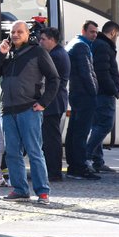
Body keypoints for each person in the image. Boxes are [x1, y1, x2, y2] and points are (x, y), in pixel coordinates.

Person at [0, 21, 60, 205]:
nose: (15, 34)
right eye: (13, 32)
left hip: (29, 109)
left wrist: (43, 103)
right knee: (12, 153)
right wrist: (0, 54)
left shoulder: (38, 52)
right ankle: (20, 189)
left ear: (28, 34)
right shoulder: (7, 53)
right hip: (8, 111)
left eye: (20, 31)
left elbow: (54, 79)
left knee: (35, 152)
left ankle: (43, 192)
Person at [65, 20, 100, 180]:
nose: (94, 35)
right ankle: (79, 167)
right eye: (92, 32)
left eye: (95, 32)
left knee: (74, 131)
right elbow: (87, 73)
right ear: (84, 30)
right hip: (84, 95)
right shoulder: (82, 46)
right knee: (81, 133)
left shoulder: (75, 43)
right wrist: (94, 93)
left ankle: (74, 166)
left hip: (76, 93)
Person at [87, 20, 119, 173]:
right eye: (117, 35)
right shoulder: (103, 46)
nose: (116, 38)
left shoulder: (99, 44)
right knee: (105, 125)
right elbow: (103, 72)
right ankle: (85, 155)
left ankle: (98, 161)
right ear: (113, 32)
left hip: (98, 92)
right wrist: (113, 89)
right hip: (104, 93)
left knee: (96, 126)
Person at [38, 27, 71, 182]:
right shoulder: (57, 53)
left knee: (51, 140)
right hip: (55, 102)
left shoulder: (56, 55)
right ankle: (52, 171)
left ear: (52, 39)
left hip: (53, 103)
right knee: (51, 138)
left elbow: (52, 81)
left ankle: (54, 173)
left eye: (43, 39)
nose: (40, 41)